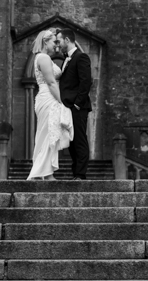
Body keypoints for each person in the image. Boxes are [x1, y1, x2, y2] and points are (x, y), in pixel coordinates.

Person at [27, 28, 73, 180]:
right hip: (49, 98)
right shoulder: (44, 58)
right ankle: (43, 173)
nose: (56, 45)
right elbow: (52, 83)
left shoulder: (42, 58)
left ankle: (45, 173)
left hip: (47, 97)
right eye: (54, 42)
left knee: (47, 134)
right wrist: (62, 102)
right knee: (47, 134)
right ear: (45, 42)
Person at [59, 32, 92, 179]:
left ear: (67, 40)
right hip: (68, 107)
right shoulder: (66, 59)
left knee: (79, 140)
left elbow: (86, 81)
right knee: (71, 141)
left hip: (78, 107)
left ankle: (80, 174)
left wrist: (77, 104)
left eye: (59, 41)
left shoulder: (81, 57)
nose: (58, 44)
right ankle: (76, 173)